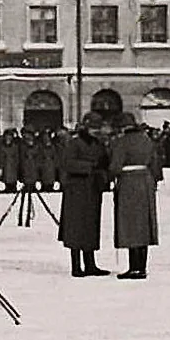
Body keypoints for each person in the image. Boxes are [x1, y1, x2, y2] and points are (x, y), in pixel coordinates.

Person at [108, 112, 162, 280]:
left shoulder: (122, 142)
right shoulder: (146, 139)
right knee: (143, 225)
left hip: (129, 183)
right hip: (145, 182)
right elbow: (155, 163)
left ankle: (133, 267)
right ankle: (142, 266)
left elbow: (115, 166)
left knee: (130, 225)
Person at [58, 112, 111, 277]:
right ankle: (76, 265)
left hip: (93, 189)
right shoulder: (74, 143)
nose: (96, 131)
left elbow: (105, 162)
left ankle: (90, 264)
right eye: (93, 128)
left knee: (90, 226)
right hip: (76, 189)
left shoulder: (98, 144)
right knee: (75, 227)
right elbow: (67, 163)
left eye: (97, 128)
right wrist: (91, 165)